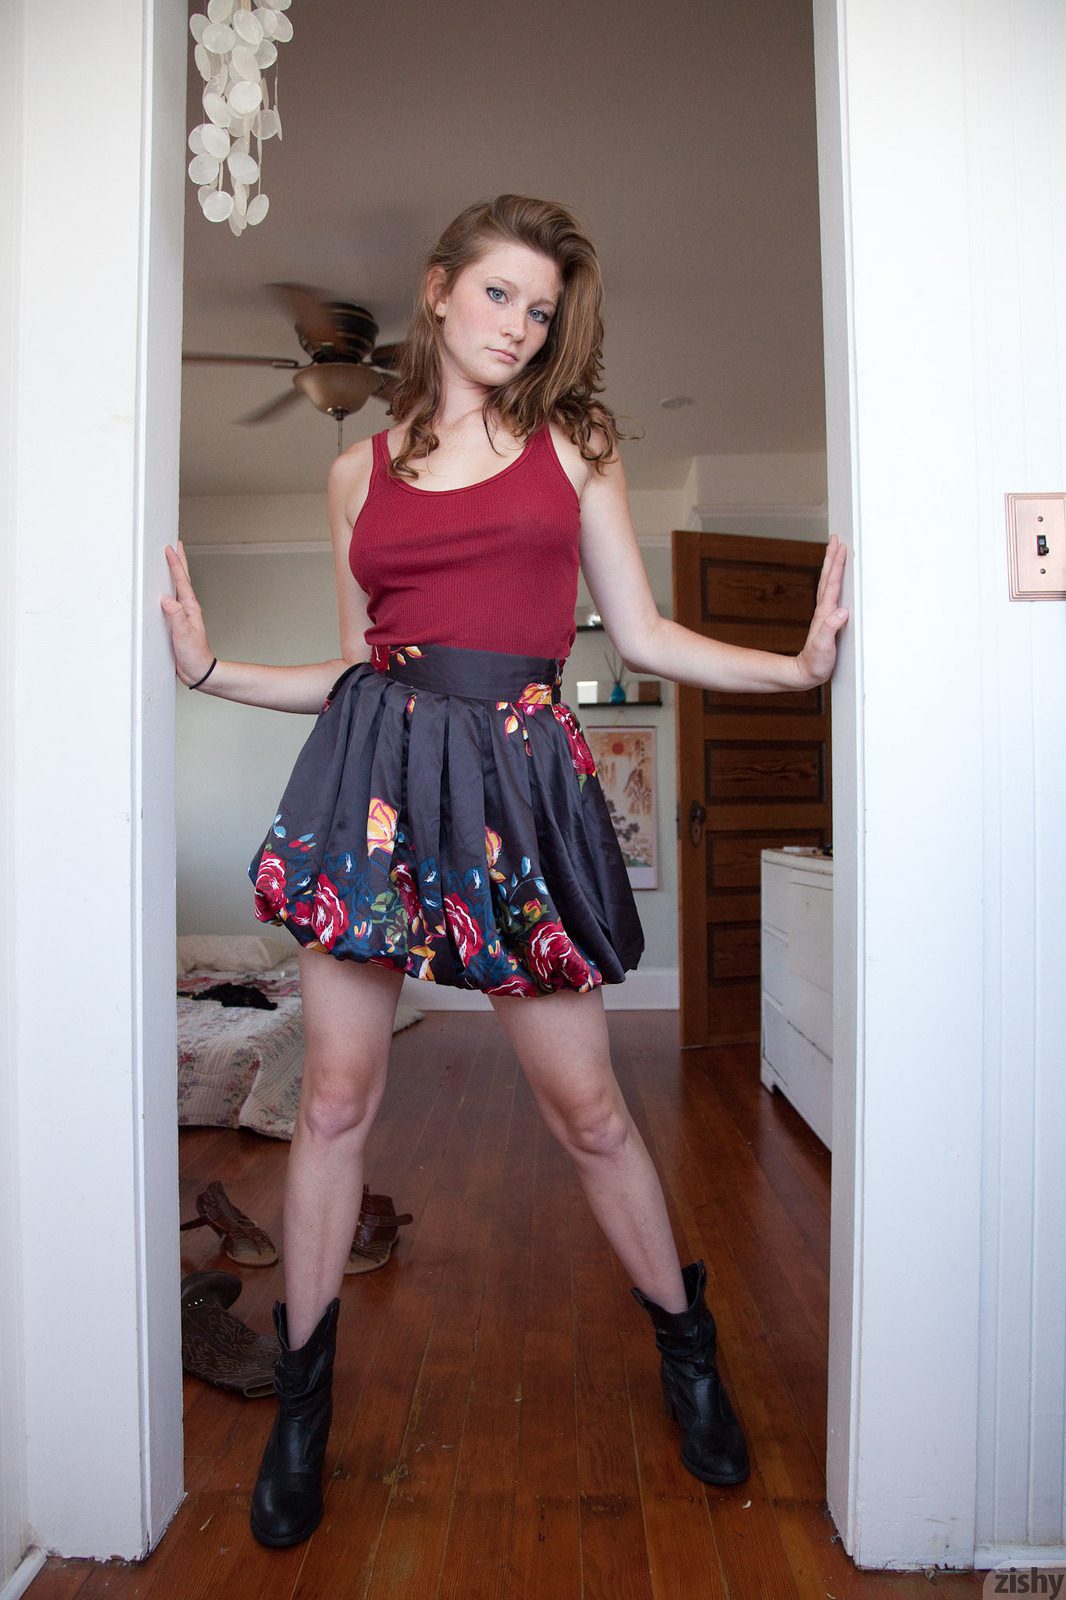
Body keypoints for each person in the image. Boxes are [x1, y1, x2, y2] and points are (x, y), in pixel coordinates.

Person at [163, 193, 848, 1550]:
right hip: (374, 780)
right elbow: (358, 667)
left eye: (540, 309)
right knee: (335, 1103)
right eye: (498, 295)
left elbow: (642, 633)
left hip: (517, 787)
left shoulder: (575, 444)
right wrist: (211, 669)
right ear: (436, 290)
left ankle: (687, 1348)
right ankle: (304, 1408)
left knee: (587, 1110)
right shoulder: (356, 475)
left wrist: (796, 668)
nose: (520, 326)